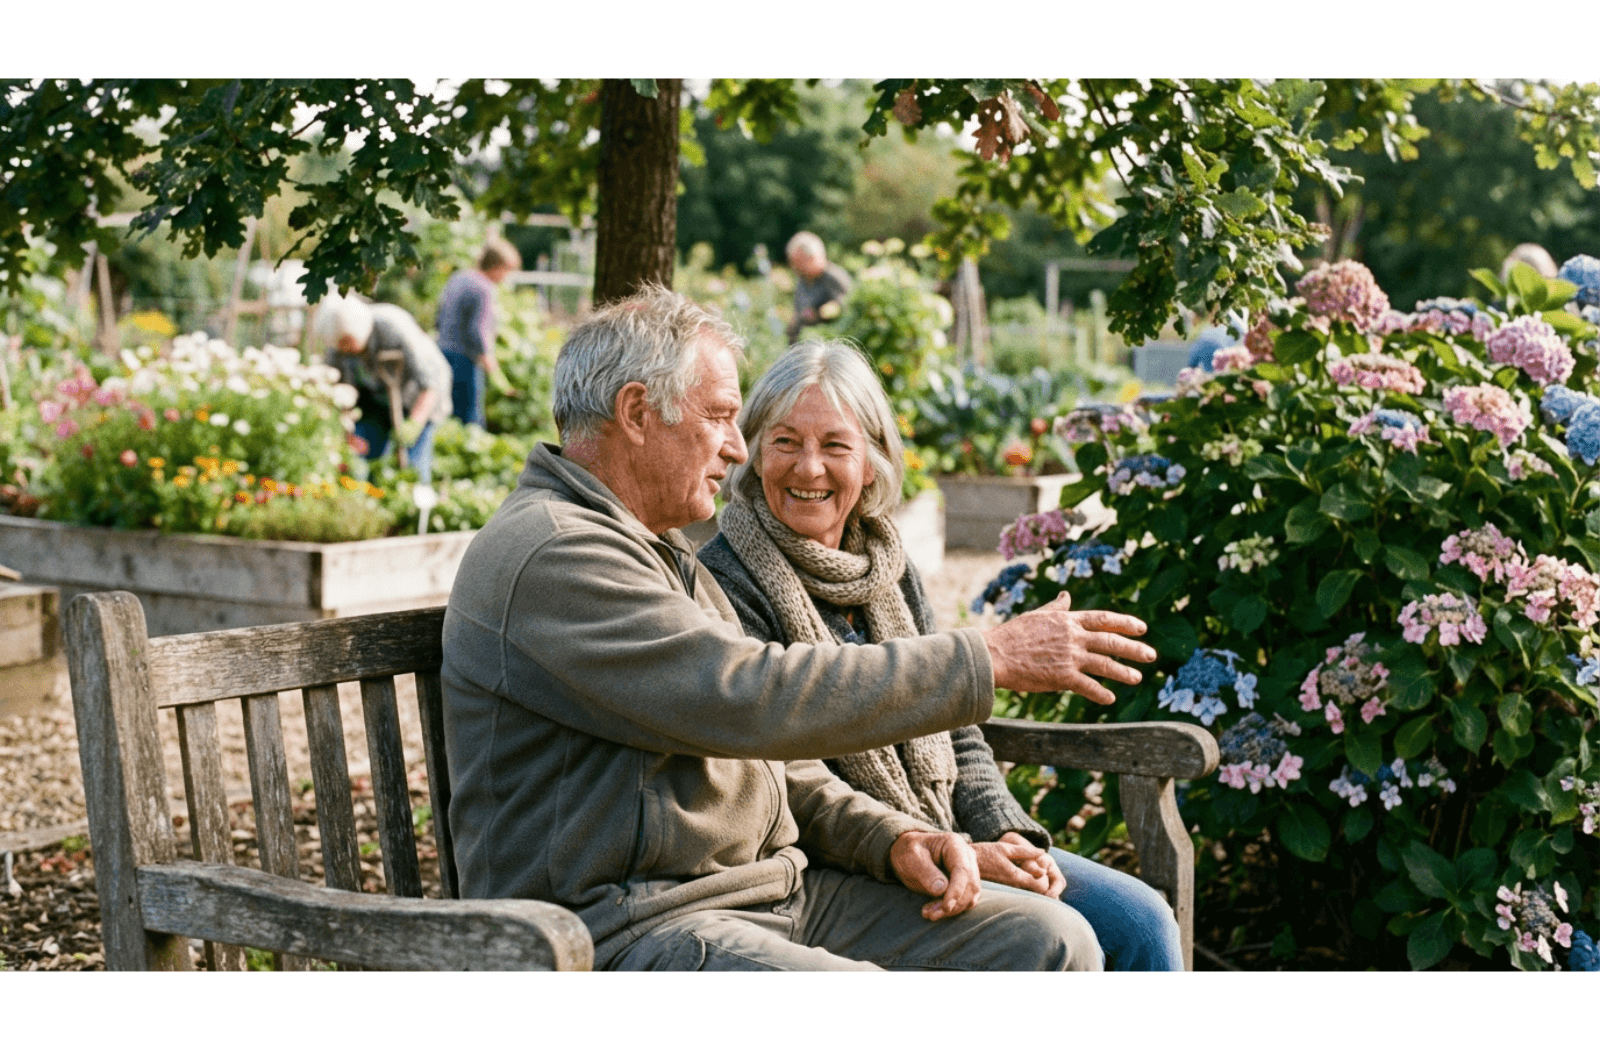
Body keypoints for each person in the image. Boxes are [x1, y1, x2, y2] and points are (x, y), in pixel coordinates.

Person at [441, 284, 1159, 971]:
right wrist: (987, 657)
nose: (735, 448)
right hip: (628, 924)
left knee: (1051, 942)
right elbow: (748, 698)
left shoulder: (653, 548)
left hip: (764, 892)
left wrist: (895, 836)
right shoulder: (560, 553)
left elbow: (770, 766)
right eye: (722, 417)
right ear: (635, 412)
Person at [698, 340, 1185, 971]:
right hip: (852, 862)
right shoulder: (725, 580)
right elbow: (787, 778)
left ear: (872, 460)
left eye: (836, 445)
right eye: (785, 442)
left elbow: (958, 730)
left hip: (957, 837)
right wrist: (946, 848)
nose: (808, 468)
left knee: (1142, 920)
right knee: (1063, 935)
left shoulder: (888, 568)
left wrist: (1004, 832)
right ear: (754, 451)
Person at [319, 297, 452, 485]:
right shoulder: (335, 336)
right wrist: (343, 426)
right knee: (363, 461)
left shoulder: (391, 327)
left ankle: (413, 504)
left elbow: (430, 383)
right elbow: (334, 386)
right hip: (375, 401)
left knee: (412, 466)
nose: (344, 349)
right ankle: (370, 500)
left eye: (347, 343)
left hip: (418, 397)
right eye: (340, 345)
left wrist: (414, 423)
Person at [437, 239, 521, 427]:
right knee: (471, 419)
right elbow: (478, 330)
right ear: (498, 266)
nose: (506, 277)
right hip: (465, 359)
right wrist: (489, 361)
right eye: (507, 271)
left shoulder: (459, 278)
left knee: (449, 414)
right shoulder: (484, 288)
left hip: (443, 352)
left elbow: (440, 314)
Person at [785, 231, 852, 340]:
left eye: (799, 262)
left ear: (813, 258)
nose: (795, 267)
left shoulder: (834, 278)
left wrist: (818, 314)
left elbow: (847, 308)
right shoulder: (803, 280)